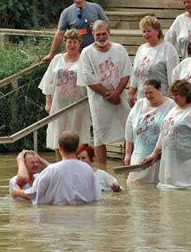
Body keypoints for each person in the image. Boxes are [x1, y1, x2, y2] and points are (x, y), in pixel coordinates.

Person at [77, 20, 133, 164]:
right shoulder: (87, 52)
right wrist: (107, 94)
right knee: (99, 135)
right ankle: (102, 168)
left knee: (128, 129)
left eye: (104, 34)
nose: (101, 37)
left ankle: (126, 162)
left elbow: (126, 73)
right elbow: (88, 78)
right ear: (93, 34)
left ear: (109, 33)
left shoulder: (119, 49)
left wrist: (117, 93)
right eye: (98, 34)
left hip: (120, 96)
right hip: (98, 101)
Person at [142, 80, 191, 190]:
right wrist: (155, 153)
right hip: (169, 159)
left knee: (187, 191)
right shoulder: (173, 110)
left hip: (187, 159)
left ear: (185, 94)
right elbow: (164, 132)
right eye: (172, 94)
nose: (174, 97)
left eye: (176, 94)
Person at [38, 29, 91, 161]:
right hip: (59, 105)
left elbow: (91, 82)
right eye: (69, 42)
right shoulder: (57, 59)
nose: (72, 45)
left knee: (77, 135)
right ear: (65, 43)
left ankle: (78, 165)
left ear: (79, 44)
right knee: (58, 135)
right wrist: (48, 102)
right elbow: (48, 82)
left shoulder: (84, 60)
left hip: (78, 106)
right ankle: (60, 163)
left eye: (75, 42)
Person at [12, 131, 101, 205]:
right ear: (77, 148)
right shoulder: (89, 170)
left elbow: (32, 194)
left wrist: (17, 191)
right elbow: (96, 197)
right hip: (85, 220)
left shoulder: (51, 170)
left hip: (58, 219)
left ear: (60, 148)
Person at [42, 0, 109, 63]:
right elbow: (59, 34)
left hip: (97, 50)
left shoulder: (96, 8)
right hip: (77, 55)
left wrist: (98, 26)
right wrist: (51, 54)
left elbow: (107, 25)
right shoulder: (66, 13)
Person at [124, 79, 175, 183]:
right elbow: (129, 127)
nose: (148, 96)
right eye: (145, 93)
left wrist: (156, 153)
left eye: (151, 92)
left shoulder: (171, 105)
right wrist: (128, 153)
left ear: (159, 89)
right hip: (138, 155)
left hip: (158, 157)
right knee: (135, 187)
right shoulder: (139, 104)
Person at [129, 16, 179, 106]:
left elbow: (173, 77)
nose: (146, 34)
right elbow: (135, 73)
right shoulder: (141, 49)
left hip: (161, 100)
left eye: (149, 31)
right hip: (142, 99)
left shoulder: (168, 48)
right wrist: (132, 93)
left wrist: (170, 99)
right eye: (144, 32)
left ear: (157, 31)